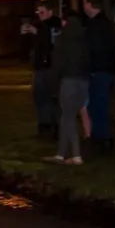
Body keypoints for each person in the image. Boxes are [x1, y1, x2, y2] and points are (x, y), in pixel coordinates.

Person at [45, 12, 90, 165]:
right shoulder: (85, 41)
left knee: (68, 117)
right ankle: (61, 154)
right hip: (83, 82)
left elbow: (57, 65)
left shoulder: (62, 41)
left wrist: (53, 85)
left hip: (68, 82)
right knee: (67, 116)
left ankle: (76, 156)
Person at [82, 0, 115, 152]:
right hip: (103, 70)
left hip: (100, 71)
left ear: (90, 5)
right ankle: (100, 139)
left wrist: (91, 68)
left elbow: (96, 49)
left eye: (85, 3)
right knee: (95, 106)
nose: (83, 6)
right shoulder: (101, 24)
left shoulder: (98, 26)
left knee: (99, 106)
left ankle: (103, 140)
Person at [20, 1, 61, 138]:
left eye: (42, 12)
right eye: (38, 12)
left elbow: (51, 44)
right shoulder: (39, 24)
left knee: (51, 97)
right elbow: (31, 45)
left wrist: (37, 32)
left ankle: (53, 126)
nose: (40, 15)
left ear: (50, 12)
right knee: (40, 97)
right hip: (40, 66)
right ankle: (44, 125)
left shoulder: (56, 25)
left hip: (51, 67)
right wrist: (25, 33)